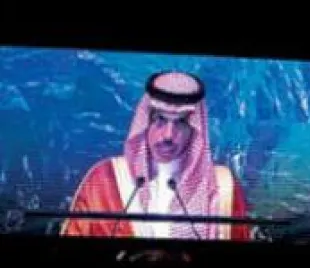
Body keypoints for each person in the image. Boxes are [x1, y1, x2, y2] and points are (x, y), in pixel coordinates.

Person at [63, 71, 251, 241]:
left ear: (195, 128)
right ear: (145, 120)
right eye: (160, 119)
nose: (168, 135)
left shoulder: (222, 187)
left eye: (181, 123)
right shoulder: (105, 179)